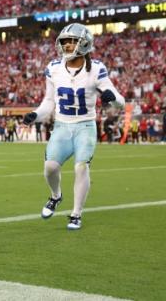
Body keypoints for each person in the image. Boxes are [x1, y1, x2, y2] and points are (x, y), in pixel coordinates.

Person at [23, 23, 124, 230]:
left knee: (81, 167)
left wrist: (111, 98)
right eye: (65, 41)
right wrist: (36, 114)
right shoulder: (53, 68)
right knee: (50, 167)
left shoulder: (96, 68)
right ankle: (55, 195)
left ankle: (76, 213)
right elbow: (49, 102)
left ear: (85, 43)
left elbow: (120, 101)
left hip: (85, 126)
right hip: (62, 126)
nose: (67, 45)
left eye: (72, 41)